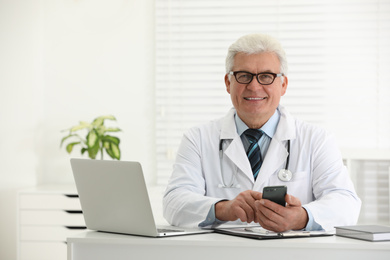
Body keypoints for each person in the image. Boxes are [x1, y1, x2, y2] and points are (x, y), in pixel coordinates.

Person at [163, 33, 361, 232]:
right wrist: (224, 208)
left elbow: (346, 203)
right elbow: (174, 202)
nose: (254, 86)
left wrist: (301, 217)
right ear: (228, 83)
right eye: (244, 76)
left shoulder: (317, 139)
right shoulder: (198, 139)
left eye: (266, 76)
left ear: (283, 84)